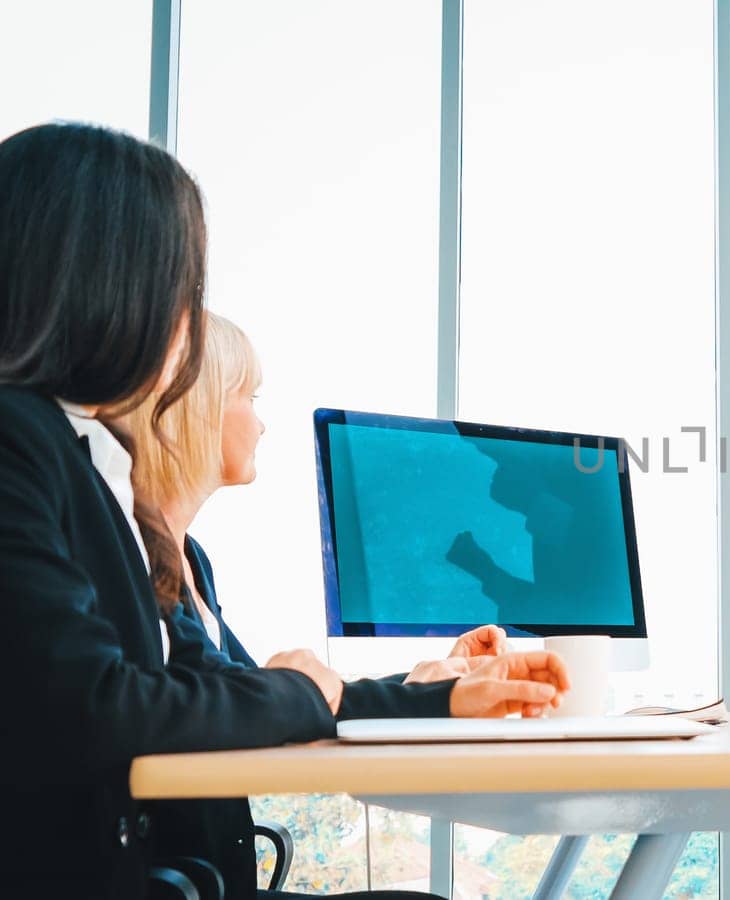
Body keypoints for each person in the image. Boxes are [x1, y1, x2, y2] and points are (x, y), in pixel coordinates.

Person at [0, 122, 568, 898]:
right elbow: (96, 709)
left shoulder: (88, 458)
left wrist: (436, 697)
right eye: (178, 288)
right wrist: (301, 690)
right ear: (104, 283)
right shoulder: (20, 440)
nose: (184, 323)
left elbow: (198, 679)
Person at [121, 311, 513, 898]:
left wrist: (427, 685)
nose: (261, 423)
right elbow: (257, 703)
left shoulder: (192, 561)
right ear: (194, 407)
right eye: (248, 397)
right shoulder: (129, 557)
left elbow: (265, 701)